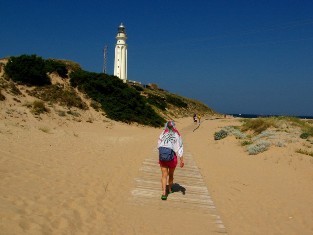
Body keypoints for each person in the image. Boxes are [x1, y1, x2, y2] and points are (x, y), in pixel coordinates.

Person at [157, 120, 184, 200]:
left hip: (162, 157)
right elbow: (180, 148)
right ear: (174, 126)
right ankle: (170, 189)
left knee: (164, 175)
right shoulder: (177, 134)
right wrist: (181, 160)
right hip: (172, 158)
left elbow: (158, 145)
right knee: (171, 174)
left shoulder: (163, 133)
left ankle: (164, 193)